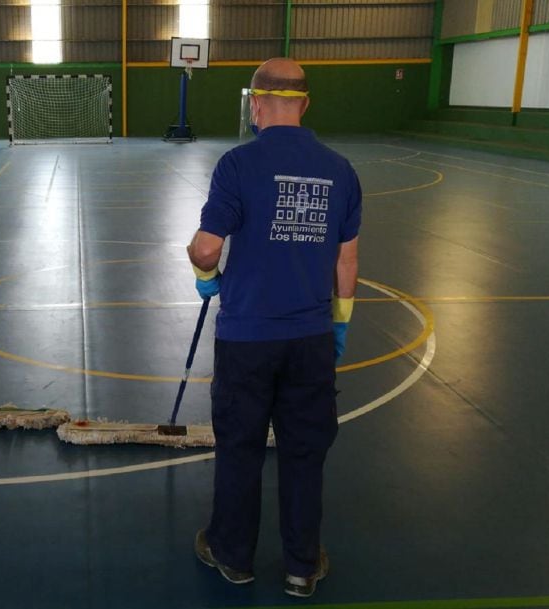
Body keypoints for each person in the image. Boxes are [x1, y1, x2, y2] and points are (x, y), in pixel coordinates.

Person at [188, 58, 361, 598]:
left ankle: (233, 555)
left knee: (239, 447)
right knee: (304, 452)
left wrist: (205, 276)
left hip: (246, 338)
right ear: (305, 104)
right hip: (310, 340)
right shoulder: (341, 170)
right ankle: (301, 566)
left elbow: (207, 244)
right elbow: (347, 264)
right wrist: (338, 325)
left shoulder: (238, 165)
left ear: (256, 104)